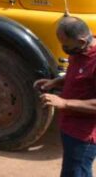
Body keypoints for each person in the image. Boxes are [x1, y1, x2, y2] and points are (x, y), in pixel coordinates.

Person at [36, 16, 96, 177]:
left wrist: (64, 103)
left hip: (84, 135)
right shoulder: (80, 49)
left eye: (66, 45)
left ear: (82, 41)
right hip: (70, 127)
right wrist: (55, 82)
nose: (64, 48)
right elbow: (79, 76)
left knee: (76, 171)